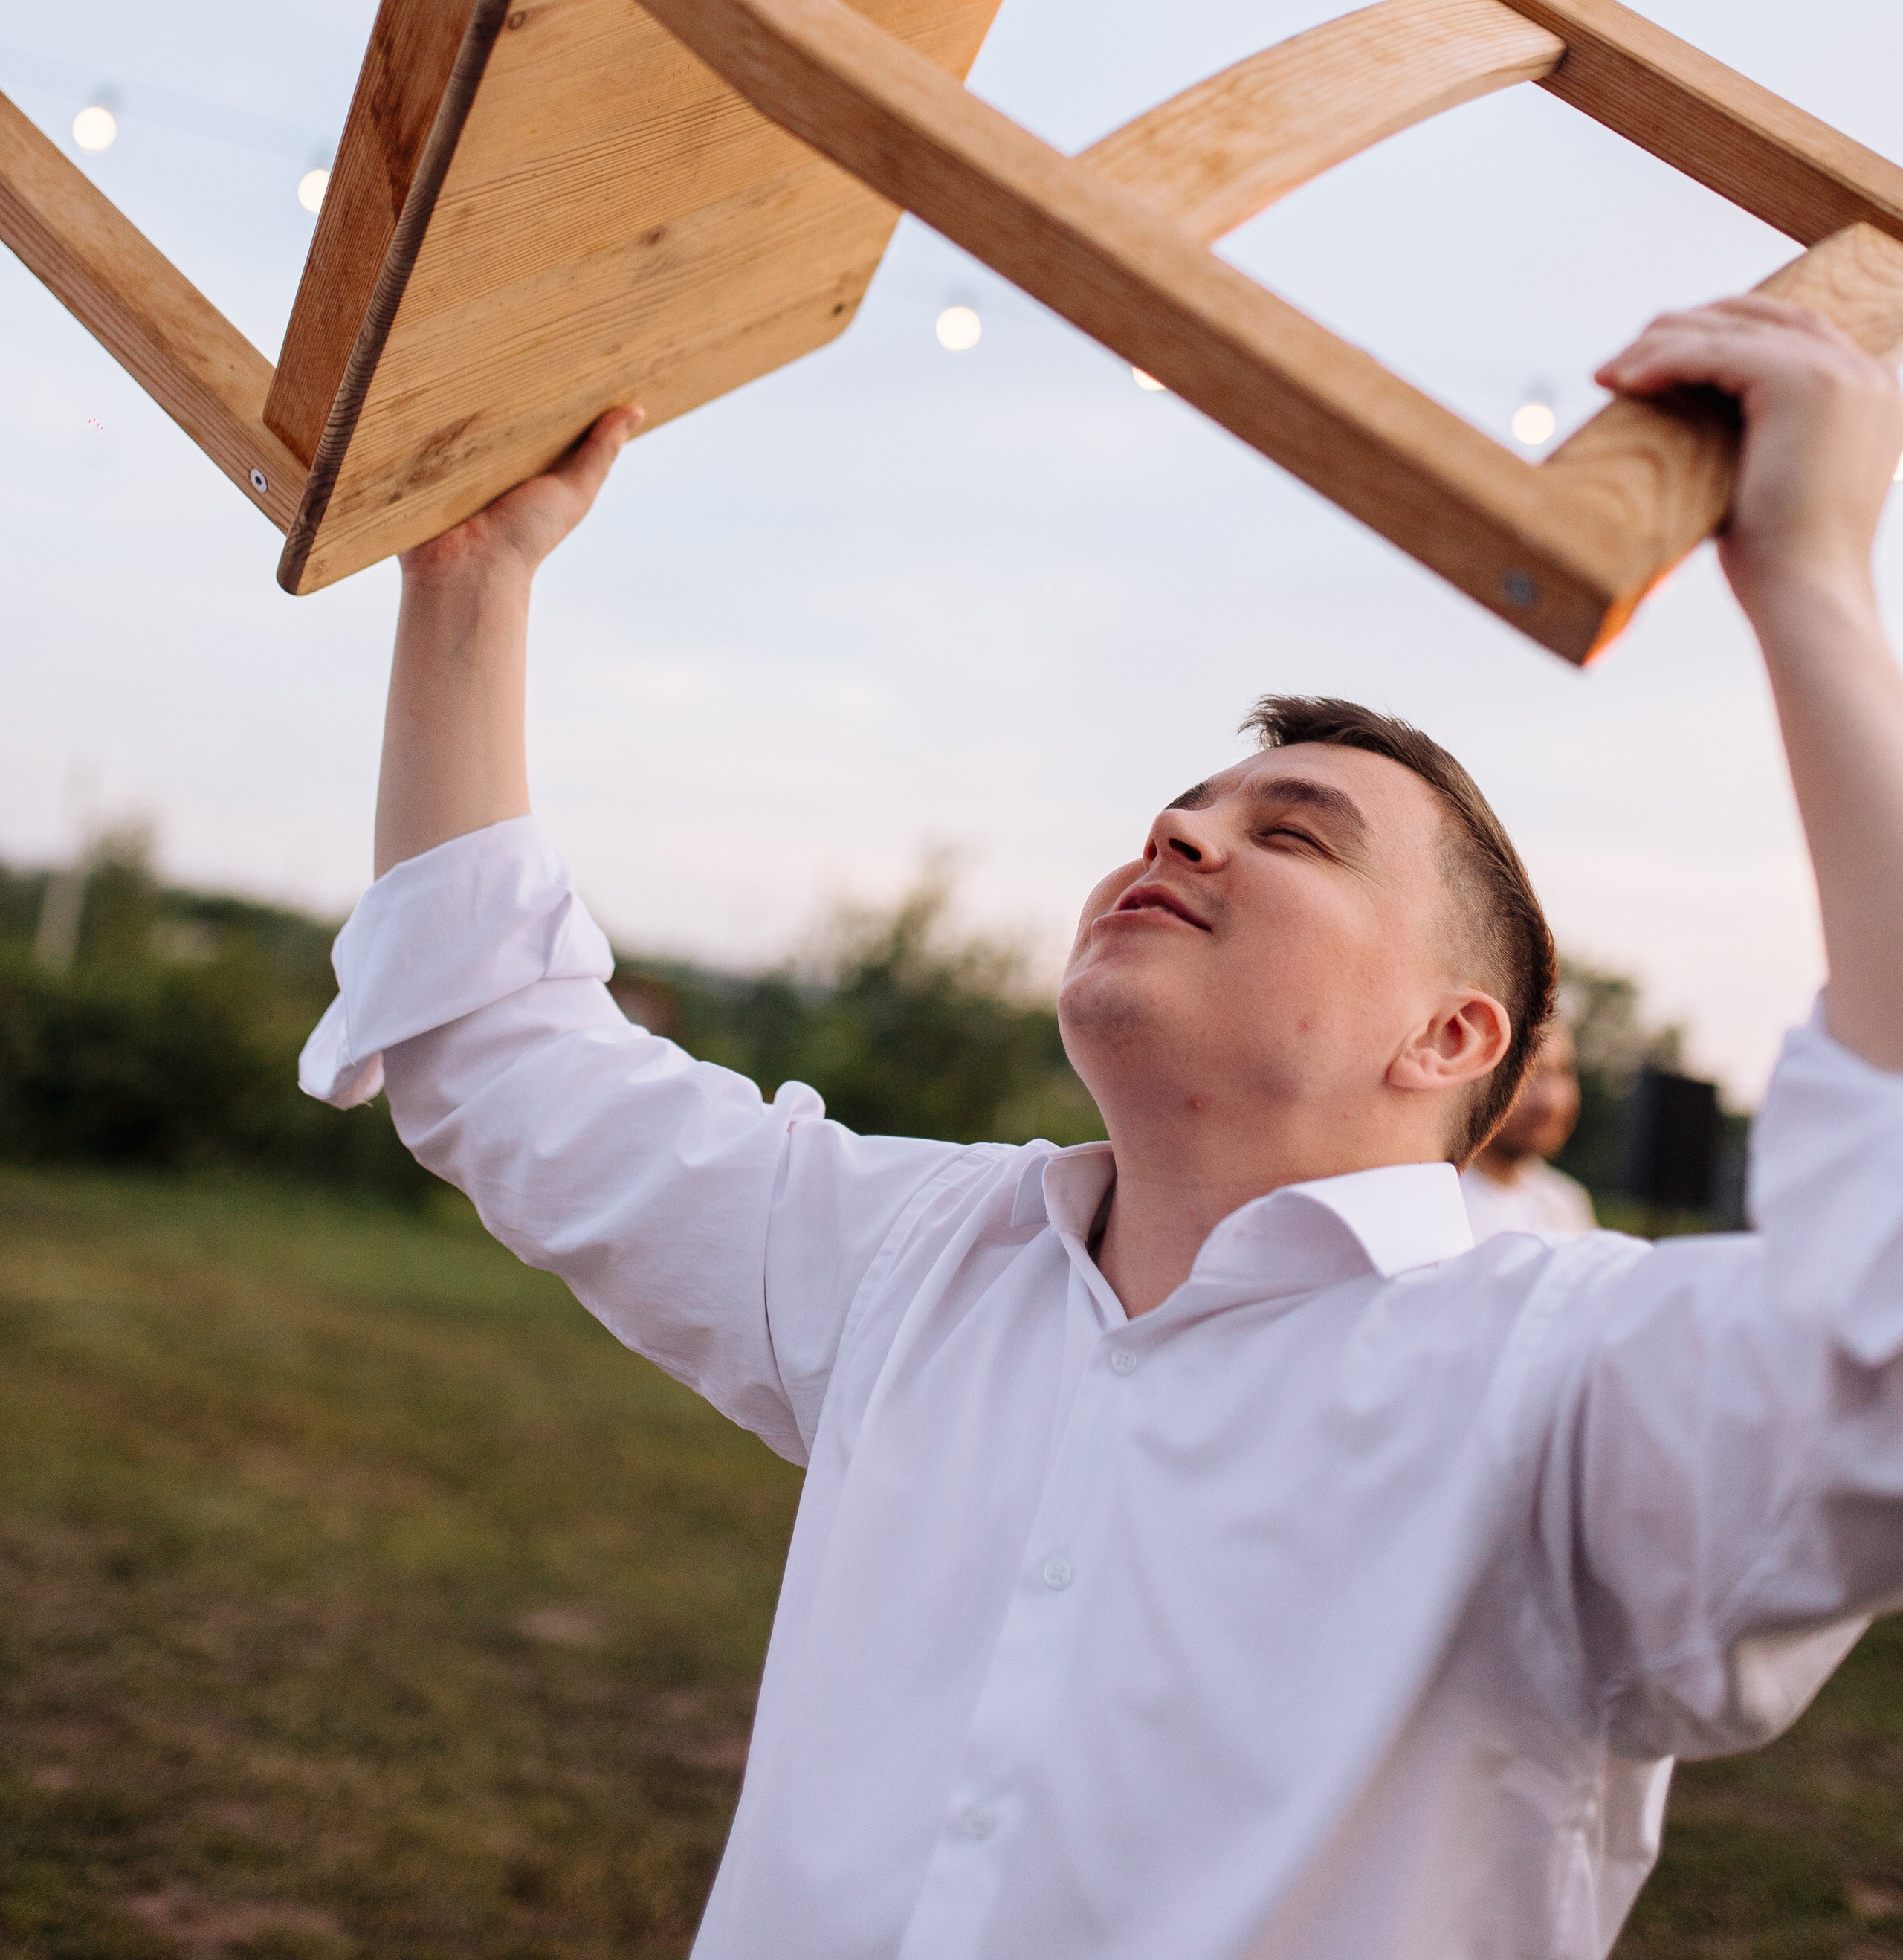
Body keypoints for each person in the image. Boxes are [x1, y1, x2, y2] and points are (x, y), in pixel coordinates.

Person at [301, 294, 1903, 1960]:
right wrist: (470, 578)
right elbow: (503, 1060)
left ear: (1448, 1035)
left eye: (1294, 833)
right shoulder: (913, 1262)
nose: (1182, 834)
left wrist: (1806, 584)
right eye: (1180, 811)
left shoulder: (1561, 1382)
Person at [1461, 1018, 1597, 1241]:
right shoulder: (1436, 1203)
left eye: (1564, 1072)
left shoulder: (1566, 1203)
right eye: (1529, 1073)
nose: (1552, 1101)